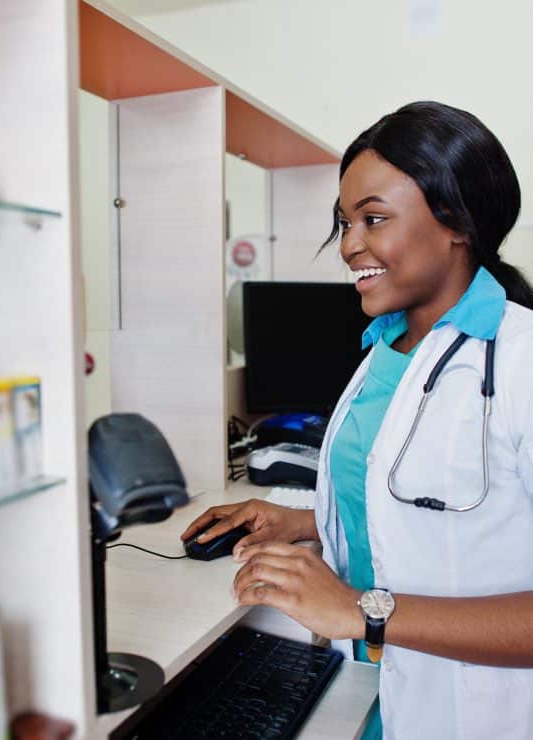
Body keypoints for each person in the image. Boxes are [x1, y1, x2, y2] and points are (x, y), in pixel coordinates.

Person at [181, 101, 533, 739]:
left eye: (373, 219)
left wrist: (361, 611)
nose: (348, 245)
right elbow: (438, 507)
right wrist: (304, 520)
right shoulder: (387, 349)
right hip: (378, 693)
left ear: (458, 223)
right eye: (344, 222)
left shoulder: (521, 360)